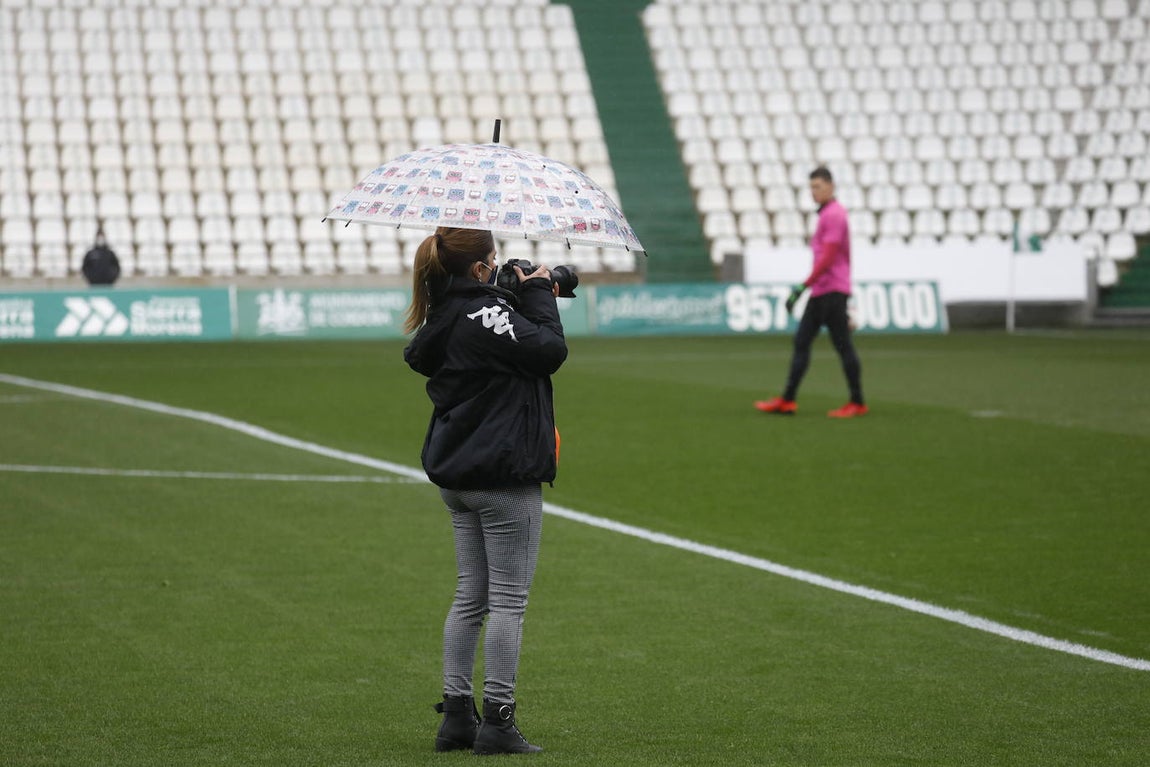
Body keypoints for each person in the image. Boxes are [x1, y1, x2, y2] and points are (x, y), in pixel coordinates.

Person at [403, 226, 567, 755]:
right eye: (492, 261)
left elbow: (482, 339)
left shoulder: (442, 315)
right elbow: (547, 351)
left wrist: (511, 293)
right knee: (508, 602)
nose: (498, 267)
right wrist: (540, 292)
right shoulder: (484, 313)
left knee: (470, 596)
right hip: (503, 473)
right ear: (478, 268)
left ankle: (456, 717)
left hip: (458, 476)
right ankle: (497, 720)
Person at [755, 167, 867, 418]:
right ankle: (788, 400)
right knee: (802, 342)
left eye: (818, 187)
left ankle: (857, 402)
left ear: (831, 186)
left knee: (841, 345)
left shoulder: (835, 215)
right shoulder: (828, 214)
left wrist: (801, 287)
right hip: (823, 291)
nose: (813, 192)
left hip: (832, 290)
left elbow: (828, 257)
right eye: (811, 187)